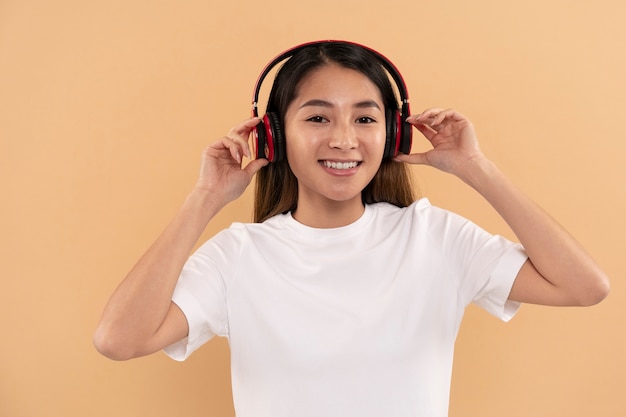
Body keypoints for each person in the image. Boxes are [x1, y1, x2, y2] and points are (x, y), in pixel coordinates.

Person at [93, 41, 610, 417]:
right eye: (317, 119)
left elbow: (585, 287)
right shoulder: (238, 256)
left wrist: (476, 168)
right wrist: (204, 199)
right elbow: (118, 340)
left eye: (365, 119)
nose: (344, 140)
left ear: (391, 133)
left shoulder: (436, 239)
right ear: (273, 136)